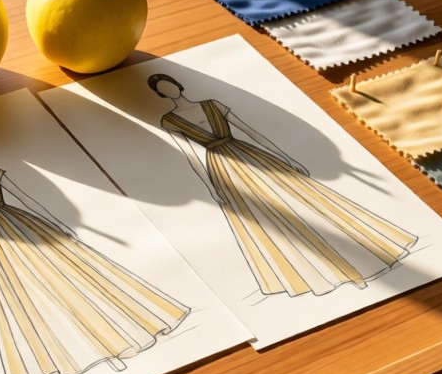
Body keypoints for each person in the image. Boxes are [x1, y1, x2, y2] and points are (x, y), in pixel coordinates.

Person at [0, 132, 189, 374]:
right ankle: (93, 352)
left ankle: (127, 334)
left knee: (72, 275)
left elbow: (24, 198)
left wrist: (55, 222)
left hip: (24, 223)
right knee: (36, 291)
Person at [149, 73, 417, 297]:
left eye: (170, 85)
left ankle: (366, 255)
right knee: (271, 218)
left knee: (305, 202)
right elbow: (191, 156)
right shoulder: (170, 121)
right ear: (161, 95)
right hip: (223, 169)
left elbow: (252, 132)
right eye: (163, 90)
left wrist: (286, 157)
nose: (169, 90)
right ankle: (323, 272)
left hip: (252, 155)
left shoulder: (212, 103)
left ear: (178, 85)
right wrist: (211, 188)